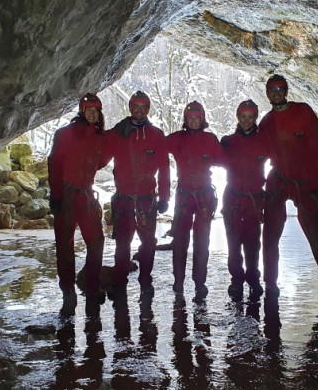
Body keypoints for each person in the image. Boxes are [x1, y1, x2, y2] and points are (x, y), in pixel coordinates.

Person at [259, 75, 318, 301]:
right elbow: (257, 152)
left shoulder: (303, 112)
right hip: (279, 179)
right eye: (271, 89)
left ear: (285, 91)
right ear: (267, 93)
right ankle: (270, 284)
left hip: (303, 181)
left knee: (316, 232)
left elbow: (317, 146)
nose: (275, 93)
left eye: (279, 89)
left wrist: (314, 185)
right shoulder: (266, 122)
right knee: (270, 233)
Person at [102, 91, 170, 301]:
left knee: (148, 243)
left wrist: (165, 197)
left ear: (148, 109)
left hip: (146, 199)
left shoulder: (156, 135)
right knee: (123, 243)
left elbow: (164, 168)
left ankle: (145, 279)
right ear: (130, 107)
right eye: (136, 106)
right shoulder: (119, 133)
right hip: (124, 198)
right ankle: (120, 282)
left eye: (143, 107)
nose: (139, 110)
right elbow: (100, 154)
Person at [47, 93, 107, 313]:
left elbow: (101, 161)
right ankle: (68, 290)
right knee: (65, 244)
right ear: (81, 111)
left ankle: (91, 285)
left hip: (86, 195)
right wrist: (56, 194)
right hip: (67, 194)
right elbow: (54, 163)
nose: (92, 113)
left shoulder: (100, 136)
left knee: (97, 241)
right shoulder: (65, 134)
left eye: (96, 110)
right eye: (88, 109)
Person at [166, 101, 223, 298]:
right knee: (180, 241)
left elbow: (228, 161)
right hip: (184, 197)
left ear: (202, 119)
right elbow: (155, 146)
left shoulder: (210, 139)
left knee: (202, 242)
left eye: (196, 117)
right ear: (185, 119)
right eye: (190, 117)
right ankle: (178, 281)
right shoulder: (176, 138)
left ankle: (199, 282)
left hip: (204, 197)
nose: (193, 120)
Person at [220, 99, 269, 302]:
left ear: (255, 118)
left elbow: (281, 160)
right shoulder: (228, 141)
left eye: (250, 117)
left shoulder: (264, 142)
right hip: (233, 199)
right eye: (243, 116)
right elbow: (205, 159)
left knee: (252, 244)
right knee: (233, 244)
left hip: (254, 200)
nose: (247, 120)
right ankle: (237, 282)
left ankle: (253, 280)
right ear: (237, 117)